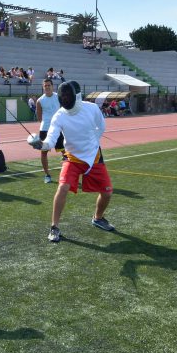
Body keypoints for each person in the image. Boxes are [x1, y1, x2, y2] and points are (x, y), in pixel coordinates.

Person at [28, 81, 114, 243]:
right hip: (72, 158)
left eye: (68, 95)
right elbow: (51, 141)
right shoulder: (59, 116)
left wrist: (93, 143)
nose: (65, 99)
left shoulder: (92, 109)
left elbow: (101, 127)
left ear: (76, 96)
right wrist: (40, 144)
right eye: (63, 96)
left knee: (107, 192)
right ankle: (54, 227)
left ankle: (98, 217)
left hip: (94, 157)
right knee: (62, 187)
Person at [36, 79, 65, 184]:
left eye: (49, 85)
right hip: (44, 129)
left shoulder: (58, 97)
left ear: (52, 86)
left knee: (64, 152)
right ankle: (47, 175)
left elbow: (64, 110)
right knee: (44, 153)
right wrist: (47, 124)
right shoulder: (40, 101)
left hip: (58, 129)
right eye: (45, 86)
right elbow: (39, 117)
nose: (47, 87)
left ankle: (67, 173)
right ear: (43, 87)